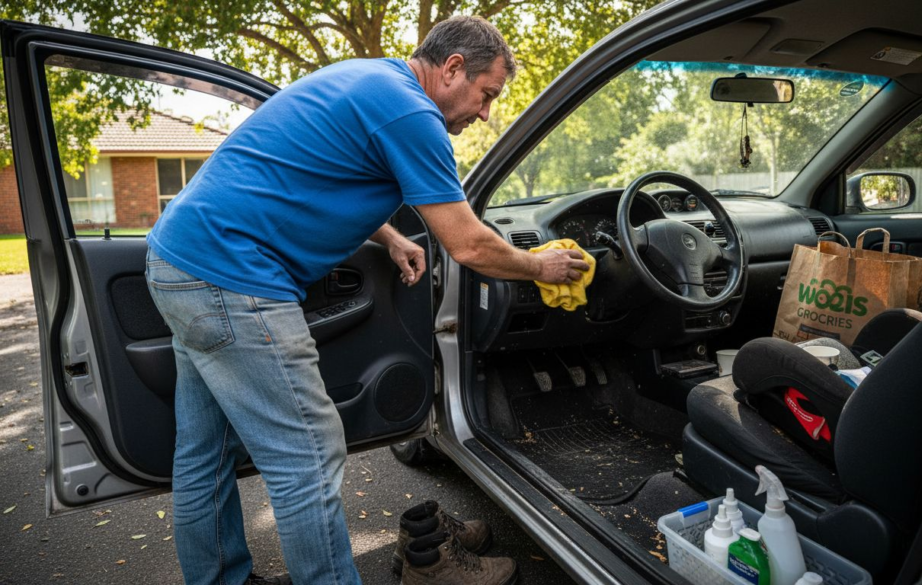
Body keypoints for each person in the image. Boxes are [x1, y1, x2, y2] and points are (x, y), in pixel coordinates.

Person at [144, 15, 589, 585]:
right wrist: (541, 265)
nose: (484, 113)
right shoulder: (413, 115)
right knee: (307, 456)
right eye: (486, 96)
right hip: (233, 278)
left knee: (203, 453)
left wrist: (391, 234)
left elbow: (323, 173)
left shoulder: (374, 80)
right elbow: (469, 243)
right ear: (453, 68)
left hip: (181, 261)